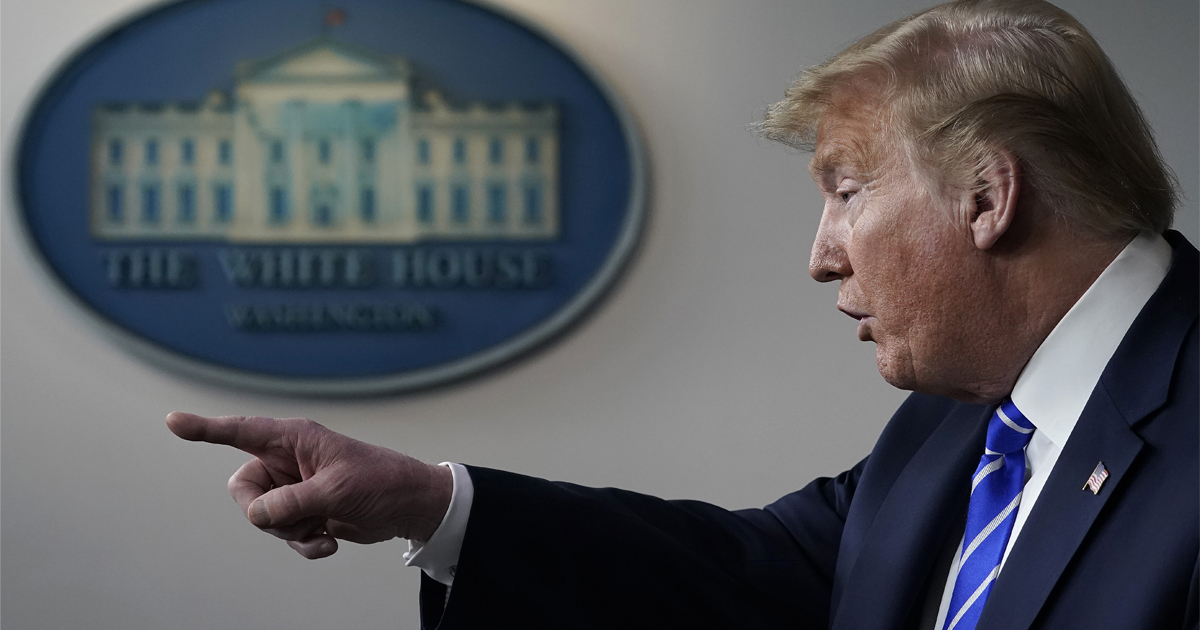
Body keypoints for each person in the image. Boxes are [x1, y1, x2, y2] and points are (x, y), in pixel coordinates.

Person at [167, 0, 1199, 628]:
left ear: (987, 196)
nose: (819, 256)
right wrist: (432, 504)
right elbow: (765, 577)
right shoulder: (965, 410)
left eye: (846, 191)